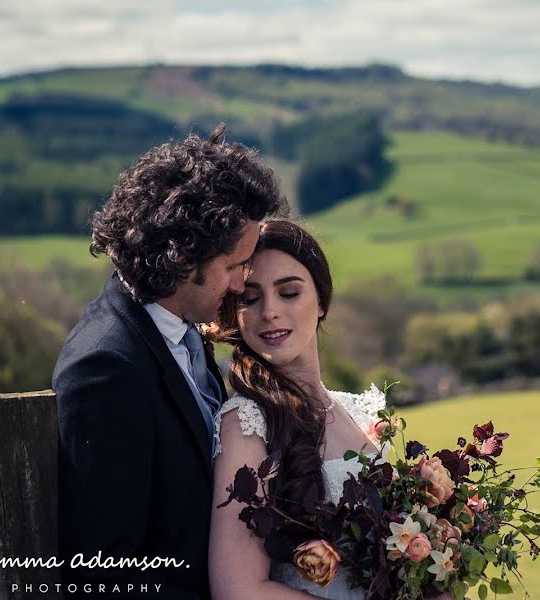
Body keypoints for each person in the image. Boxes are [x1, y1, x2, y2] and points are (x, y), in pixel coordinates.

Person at [53, 124, 285, 598]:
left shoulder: (179, 330)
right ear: (183, 261)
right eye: (234, 266)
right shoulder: (105, 368)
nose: (242, 284)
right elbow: (103, 573)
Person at [207, 220, 454, 600]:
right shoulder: (246, 422)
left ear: (321, 300)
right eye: (251, 299)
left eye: (289, 292)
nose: (270, 311)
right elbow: (238, 589)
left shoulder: (363, 411)